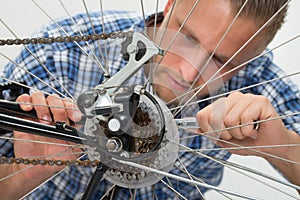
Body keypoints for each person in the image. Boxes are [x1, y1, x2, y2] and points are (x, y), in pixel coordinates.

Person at [0, 0, 299, 199]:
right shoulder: (63, 58)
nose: (189, 71)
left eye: (221, 60)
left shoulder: (256, 80)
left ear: (250, 61)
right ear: (169, 6)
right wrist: (21, 173)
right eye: (187, 37)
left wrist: (282, 145)